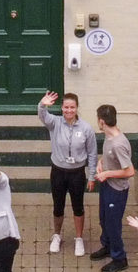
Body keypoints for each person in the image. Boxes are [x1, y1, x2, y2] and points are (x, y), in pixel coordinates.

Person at [40, 88, 97, 256]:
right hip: (58, 172)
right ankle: (57, 235)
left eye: (72, 107)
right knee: (58, 206)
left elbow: (92, 153)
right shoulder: (55, 123)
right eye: (66, 107)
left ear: (77, 108)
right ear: (62, 108)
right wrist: (42, 104)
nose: (69, 111)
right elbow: (42, 115)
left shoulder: (86, 128)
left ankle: (79, 239)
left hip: (77, 173)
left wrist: (92, 175)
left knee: (78, 206)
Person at [94, 105, 135, 272]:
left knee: (113, 224)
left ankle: (119, 258)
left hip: (116, 190)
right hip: (107, 184)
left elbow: (130, 171)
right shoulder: (109, 136)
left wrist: (107, 174)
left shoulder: (119, 144)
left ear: (101, 121)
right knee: (104, 219)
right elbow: (108, 155)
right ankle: (108, 246)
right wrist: (101, 162)